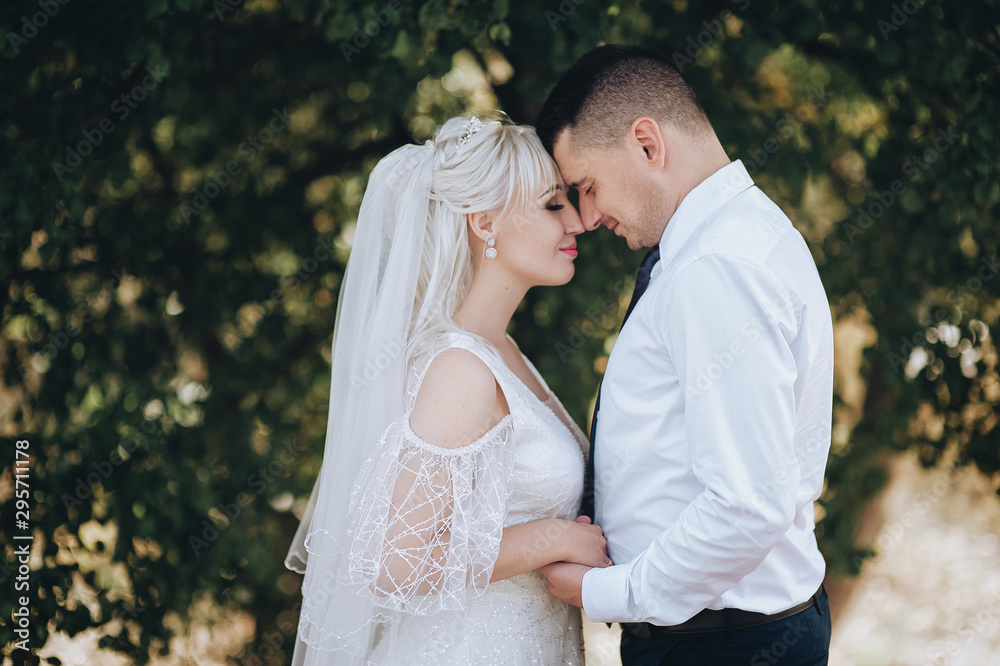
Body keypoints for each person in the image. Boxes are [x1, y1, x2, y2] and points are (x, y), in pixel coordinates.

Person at [534, 45, 835, 665]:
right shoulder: (735, 237)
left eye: (587, 187)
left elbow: (747, 505)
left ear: (647, 143)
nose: (586, 218)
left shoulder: (714, 266)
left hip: (721, 644)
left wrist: (605, 591)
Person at [283, 112, 611, 666]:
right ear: (485, 223)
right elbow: (392, 563)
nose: (576, 222)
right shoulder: (460, 367)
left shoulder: (503, 354)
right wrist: (552, 538)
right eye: (553, 205)